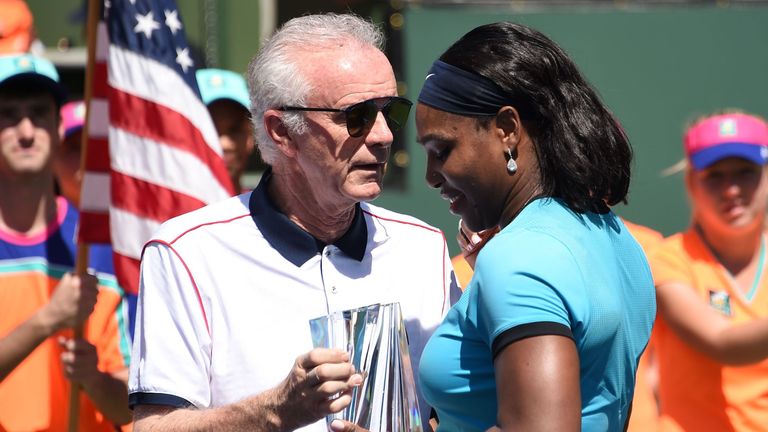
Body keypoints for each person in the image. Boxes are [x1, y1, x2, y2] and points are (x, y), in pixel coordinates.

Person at [128, 13, 458, 432]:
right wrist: (277, 410)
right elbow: (153, 427)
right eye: (356, 116)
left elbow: (461, 413)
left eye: (390, 111)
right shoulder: (188, 253)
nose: (383, 135)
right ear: (281, 131)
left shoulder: (422, 249)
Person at [414, 22, 656, 431]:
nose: (431, 176)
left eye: (442, 150)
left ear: (507, 130)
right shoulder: (616, 237)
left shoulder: (519, 256)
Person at [0, 54, 132, 430]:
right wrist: (47, 321)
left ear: (59, 128)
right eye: (9, 115)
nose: (27, 131)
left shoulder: (98, 247)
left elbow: (130, 408)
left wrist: (95, 380)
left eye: (39, 113)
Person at [650, 111, 768, 432]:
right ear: (691, 182)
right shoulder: (668, 259)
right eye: (715, 175)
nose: (731, 190)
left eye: (745, 172)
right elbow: (722, 342)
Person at [196, 68, 256, 194]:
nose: (225, 144)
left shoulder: (267, 206)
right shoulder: (164, 206)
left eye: (235, 129)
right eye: (210, 130)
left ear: (250, 137)